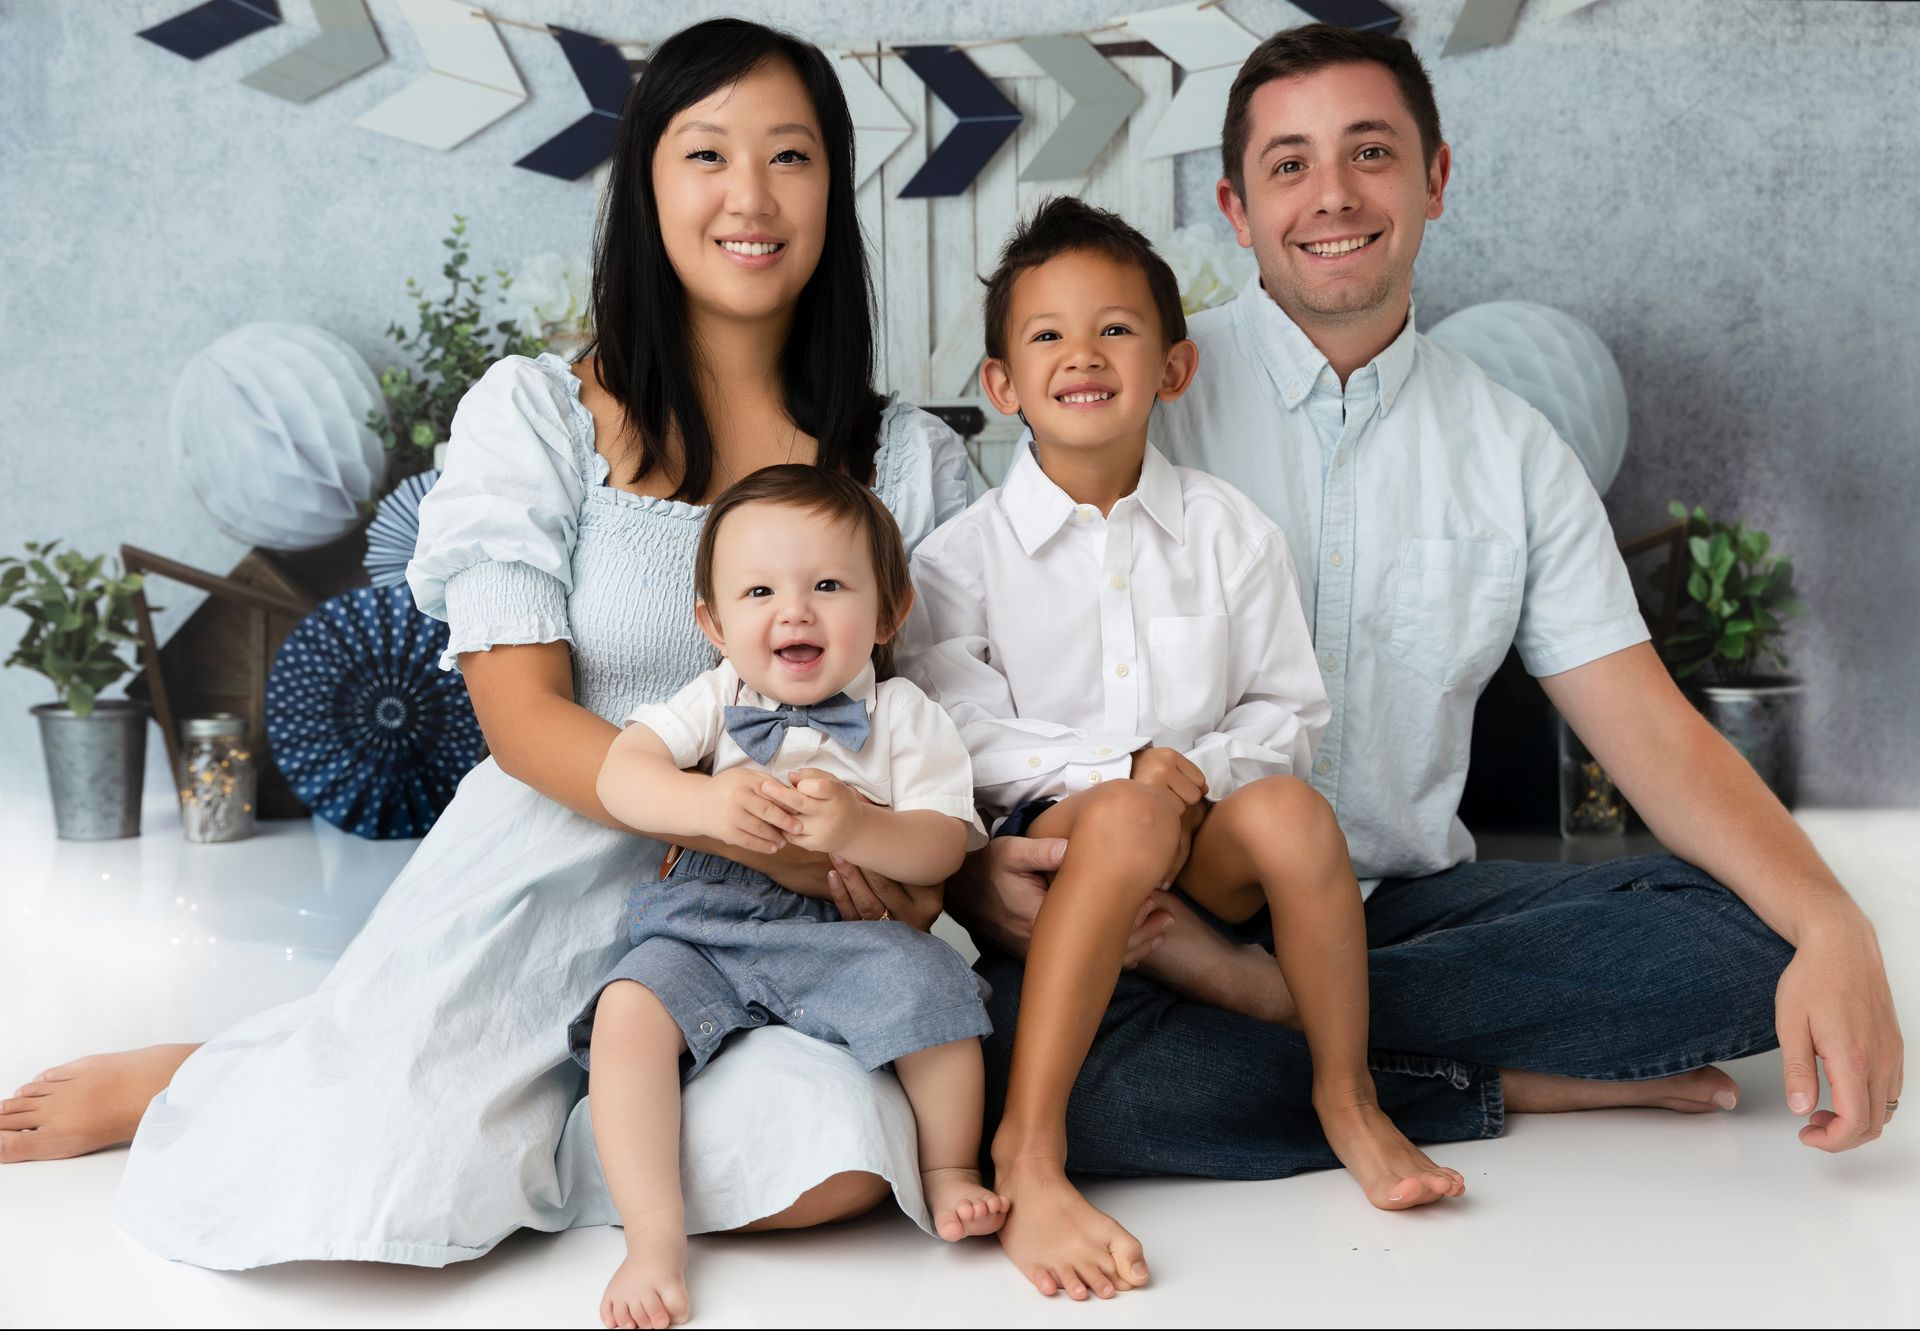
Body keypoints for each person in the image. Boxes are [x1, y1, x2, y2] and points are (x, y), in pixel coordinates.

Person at [2, 18, 983, 1267]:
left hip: (793, 903)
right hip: (567, 848)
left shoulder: (907, 460)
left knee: (833, 1164)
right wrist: (713, 808)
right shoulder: (539, 414)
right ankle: (248, 1068)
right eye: (706, 155)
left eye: (790, 157)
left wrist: (894, 863)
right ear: (645, 183)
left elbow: (945, 729)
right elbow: (521, 719)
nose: (751, 196)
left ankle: (545, 1120)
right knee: (370, 1174)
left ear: (834, 189)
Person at [947, 23, 1903, 1284]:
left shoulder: (1512, 451)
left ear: (1435, 179)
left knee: (1741, 943)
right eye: (1289, 165)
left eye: (1370, 153)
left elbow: (1654, 733)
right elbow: (970, 674)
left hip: (1400, 911)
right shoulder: (1136, 375)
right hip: (1152, 907)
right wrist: (979, 875)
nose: (1332, 195)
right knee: (1045, 1061)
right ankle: (1494, 1079)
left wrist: (1835, 921)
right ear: (1235, 206)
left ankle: (1325, 1040)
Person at [902, 197, 1464, 1299]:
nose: (1083, 355)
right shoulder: (957, 559)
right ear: (1002, 385)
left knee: (1296, 814)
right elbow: (958, 731)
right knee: (1128, 812)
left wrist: (1193, 771)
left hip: (1203, 843)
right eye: (1047, 335)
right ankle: (1030, 1144)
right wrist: (1125, 770)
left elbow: (1286, 707)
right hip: (1060, 858)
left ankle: (1346, 1094)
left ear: (1173, 368)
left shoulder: (1228, 531)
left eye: (1116, 329)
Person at [580, 467, 1007, 1327]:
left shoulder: (904, 714)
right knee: (628, 1007)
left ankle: (950, 1168)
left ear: (888, 611)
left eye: (828, 585)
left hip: (847, 928)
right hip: (710, 919)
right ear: (713, 622)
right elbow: (621, 773)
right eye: (760, 590)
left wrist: (858, 826)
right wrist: (701, 802)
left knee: (938, 993)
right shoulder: (717, 696)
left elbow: (942, 844)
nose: (795, 610)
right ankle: (653, 1236)